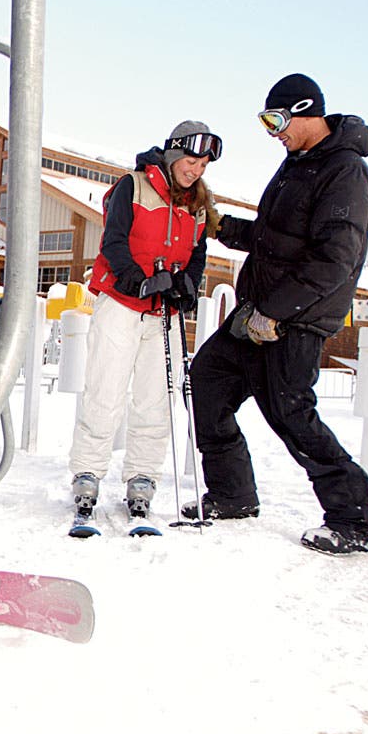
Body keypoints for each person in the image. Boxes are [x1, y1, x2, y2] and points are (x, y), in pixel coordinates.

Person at [186, 73, 368, 555]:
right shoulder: (297, 164)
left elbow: (335, 258)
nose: (273, 131)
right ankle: (233, 496)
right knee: (207, 382)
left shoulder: (344, 170)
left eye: (276, 120)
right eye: (266, 122)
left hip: (293, 320)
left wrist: (274, 312)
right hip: (256, 314)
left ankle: (354, 520)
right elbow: (276, 237)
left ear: (305, 109)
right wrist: (222, 227)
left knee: (293, 416)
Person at [66, 121, 221, 527]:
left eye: (204, 162)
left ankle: (142, 478)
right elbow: (113, 241)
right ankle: (88, 474)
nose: (197, 168)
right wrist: (138, 280)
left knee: (156, 398)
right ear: (173, 153)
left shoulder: (199, 204)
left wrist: (186, 285)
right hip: (121, 301)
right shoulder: (132, 186)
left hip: (164, 311)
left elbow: (198, 256)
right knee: (106, 389)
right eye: (191, 159)